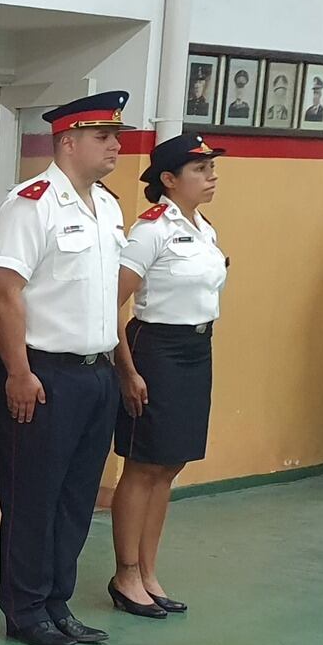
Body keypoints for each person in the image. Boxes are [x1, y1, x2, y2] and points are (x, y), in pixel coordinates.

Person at [0, 90, 132, 645]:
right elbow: (3, 293)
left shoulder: (109, 206)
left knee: (76, 498)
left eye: (115, 135)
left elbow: (105, 299)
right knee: (33, 497)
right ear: (68, 141)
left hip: (96, 374)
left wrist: (119, 367)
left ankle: (56, 601)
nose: (116, 145)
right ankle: (24, 609)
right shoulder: (32, 203)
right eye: (104, 136)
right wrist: (19, 372)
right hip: (43, 373)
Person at [109, 136, 227, 618]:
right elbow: (109, 305)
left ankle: (149, 570)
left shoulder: (205, 230)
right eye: (200, 169)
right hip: (154, 350)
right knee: (143, 465)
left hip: (196, 349)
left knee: (170, 465)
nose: (211, 176)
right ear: (169, 180)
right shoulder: (150, 231)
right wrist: (128, 370)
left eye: (211, 167)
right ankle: (126, 573)